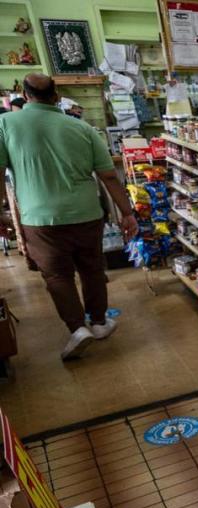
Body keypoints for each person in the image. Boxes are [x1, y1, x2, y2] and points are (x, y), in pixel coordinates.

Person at [0, 74, 138, 360]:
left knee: (57, 276)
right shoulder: (81, 127)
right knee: (92, 268)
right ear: (56, 95)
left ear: (25, 96)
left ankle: (77, 328)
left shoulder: (5, 124)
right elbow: (109, 176)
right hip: (87, 213)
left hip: (41, 219)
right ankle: (99, 322)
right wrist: (127, 213)